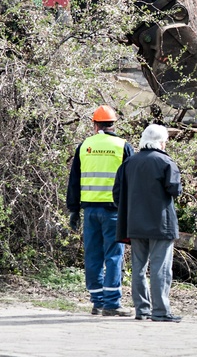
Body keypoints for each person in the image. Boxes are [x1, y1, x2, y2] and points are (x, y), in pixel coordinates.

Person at [66, 104, 134, 317]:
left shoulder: (84, 146)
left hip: (89, 211)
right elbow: (131, 181)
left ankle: (97, 301)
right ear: (114, 124)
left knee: (93, 255)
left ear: (95, 124)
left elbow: (74, 181)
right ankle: (112, 304)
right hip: (114, 211)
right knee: (113, 256)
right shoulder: (123, 146)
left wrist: (73, 210)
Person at [113, 124, 183, 322]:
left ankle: (142, 310)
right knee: (160, 268)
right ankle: (160, 311)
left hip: (135, 225)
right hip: (161, 224)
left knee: (139, 268)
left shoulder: (129, 163)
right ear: (161, 142)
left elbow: (117, 194)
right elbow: (175, 190)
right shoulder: (165, 161)